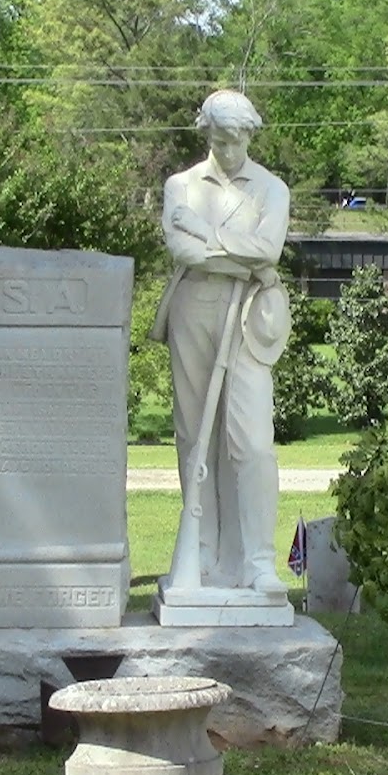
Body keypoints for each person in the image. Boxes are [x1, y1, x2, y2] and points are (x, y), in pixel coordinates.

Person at [151, 89, 291, 594]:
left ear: (249, 136)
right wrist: (236, 253)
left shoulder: (272, 190)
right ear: (206, 134)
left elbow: (267, 250)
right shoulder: (181, 185)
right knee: (194, 436)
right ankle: (202, 551)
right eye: (220, 140)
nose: (229, 151)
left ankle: (258, 560)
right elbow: (181, 250)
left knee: (252, 440)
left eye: (237, 141)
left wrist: (207, 233)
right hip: (196, 307)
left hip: (250, 309)